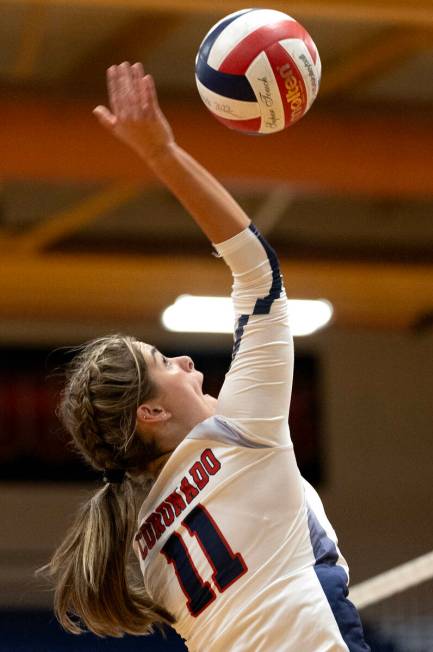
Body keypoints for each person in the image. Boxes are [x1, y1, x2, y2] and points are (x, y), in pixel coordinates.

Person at [43, 62, 370, 651]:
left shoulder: (143, 538)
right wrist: (161, 152)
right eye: (166, 363)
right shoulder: (239, 436)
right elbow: (258, 271)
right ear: (151, 413)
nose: (188, 364)